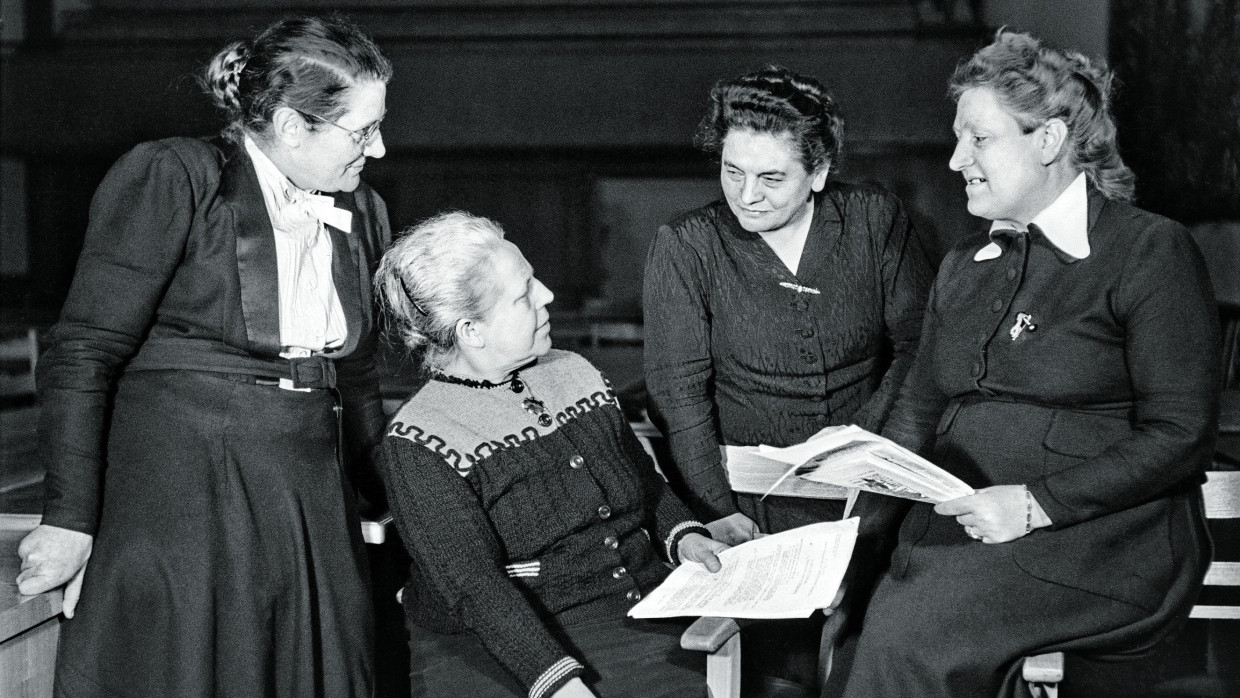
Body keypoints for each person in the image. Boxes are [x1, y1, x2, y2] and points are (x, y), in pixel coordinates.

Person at [15, 15, 393, 697]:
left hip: (310, 500)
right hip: (190, 498)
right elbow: (84, 354)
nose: (381, 148)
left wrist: (391, 499)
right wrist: (70, 518)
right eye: (362, 130)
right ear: (289, 124)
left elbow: (358, 378)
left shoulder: (361, 209)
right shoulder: (176, 176)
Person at [842, 30, 1220, 698]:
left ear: (1047, 141)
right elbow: (917, 413)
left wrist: (1037, 505)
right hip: (960, 533)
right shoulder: (964, 265)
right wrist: (855, 531)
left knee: (910, 635)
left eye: (979, 138)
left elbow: (1181, 434)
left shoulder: (1148, 251)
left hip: (1100, 543)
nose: (957, 159)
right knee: (846, 619)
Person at [642, 65, 934, 692]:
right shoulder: (688, 245)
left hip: (876, 499)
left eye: (772, 177)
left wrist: (869, 462)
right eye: (732, 171)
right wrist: (716, 513)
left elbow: (919, 351)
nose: (747, 195)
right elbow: (680, 397)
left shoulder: (874, 220)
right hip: (753, 511)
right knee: (781, 680)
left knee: (880, 665)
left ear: (819, 174)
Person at [373, 211, 729, 698]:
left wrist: (684, 537)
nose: (547, 295)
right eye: (523, 294)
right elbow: (475, 588)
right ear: (470, 331)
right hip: (497, 645)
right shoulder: (418, 440)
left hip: (633, 613)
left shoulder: (575, 370)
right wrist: (559, 682)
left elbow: (643, 483)